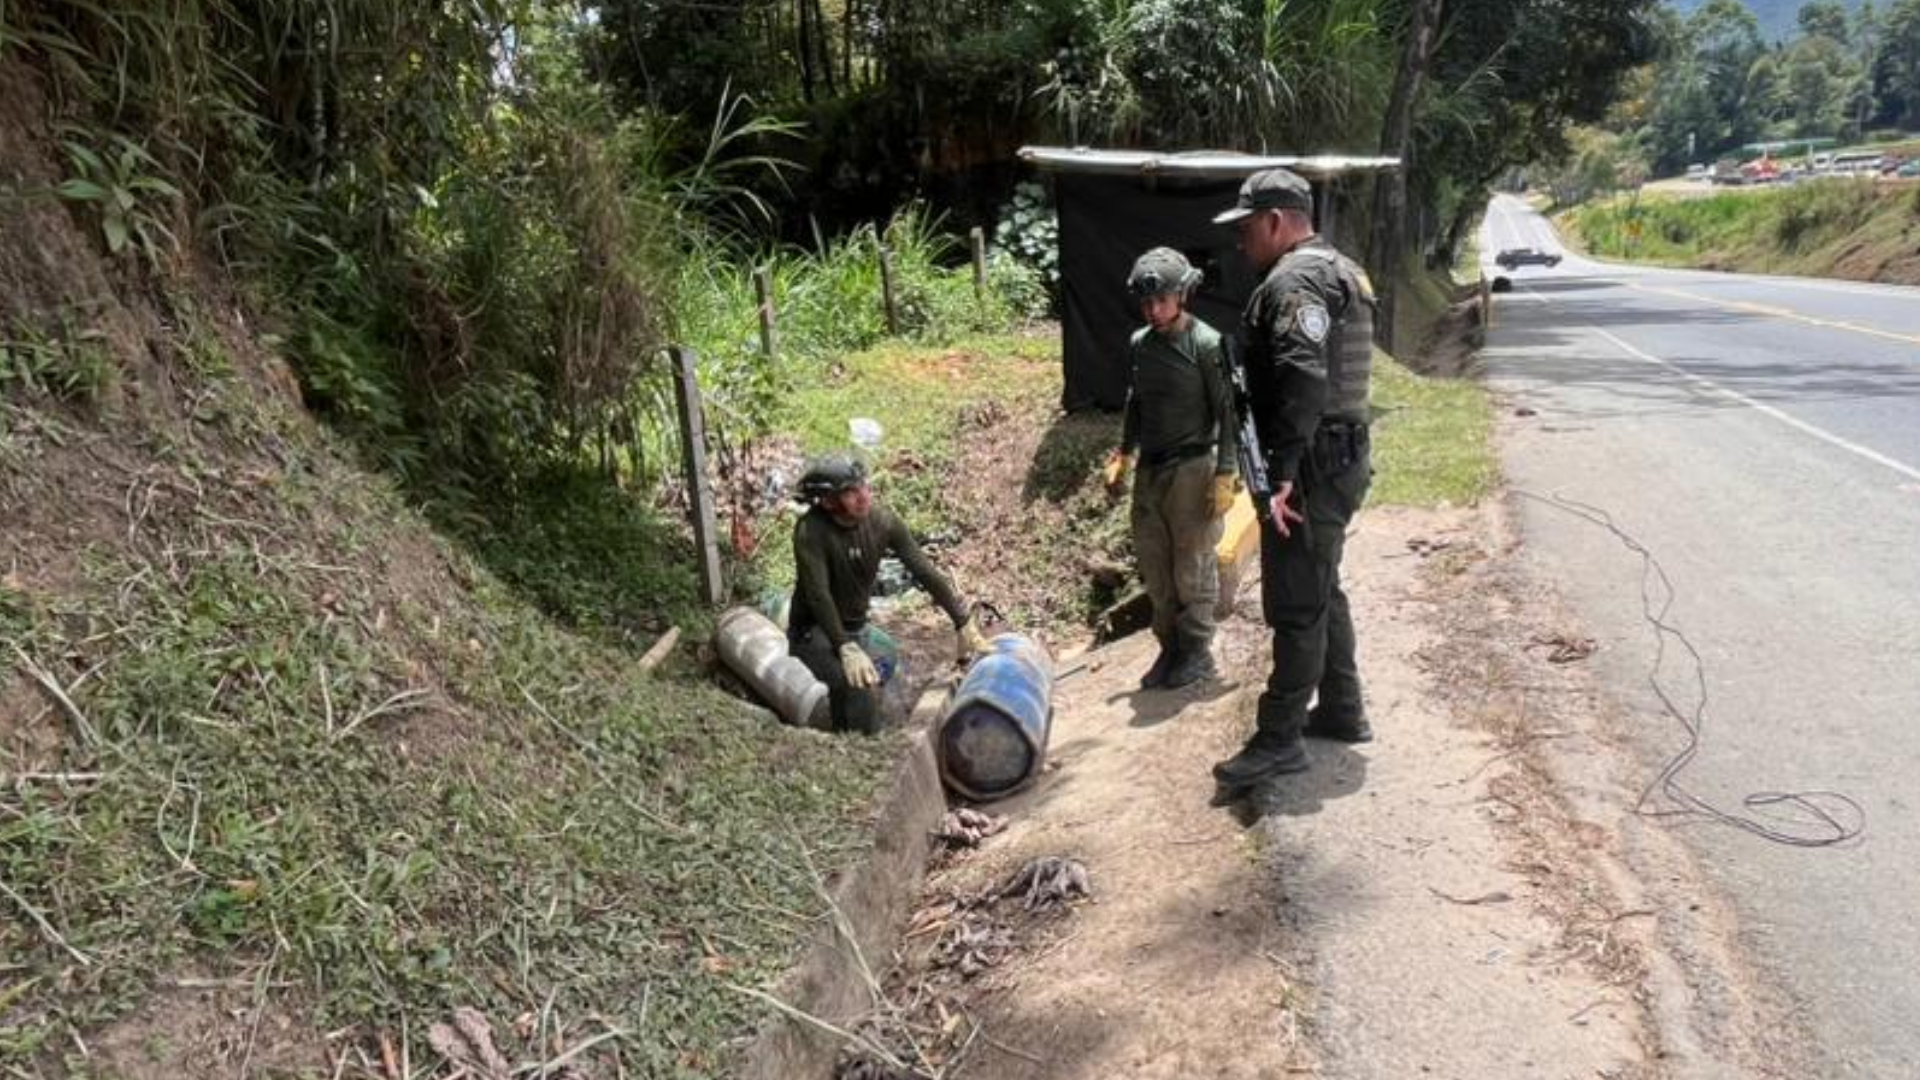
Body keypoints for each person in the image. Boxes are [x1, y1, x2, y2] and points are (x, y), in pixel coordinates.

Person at [1209, 168, 1377, 790]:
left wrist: (1280, 473)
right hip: (1338, 456)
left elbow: (1304, 378)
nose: (1240, 242)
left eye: (1247, 227)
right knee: (1323, 585)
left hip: (1311, 464)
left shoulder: (1295, 279)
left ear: (1277, 220)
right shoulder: (1340, 268)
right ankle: (1341, 709)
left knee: (1297, 601)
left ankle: (1278, 739)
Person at [1103, 247, 1240, 690]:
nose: (1154, 310)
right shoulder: (1141, 344)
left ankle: (1196, 651)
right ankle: (1169, 648)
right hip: (1151, 470)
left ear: (1182, 295)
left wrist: (1226, 472)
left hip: (1193, 467)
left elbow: (1230, 411)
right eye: (1146, 303)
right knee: (1155, 566)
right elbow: (1136, 402)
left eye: (1162, 300)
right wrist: (1124, 454)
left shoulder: (1207, 344)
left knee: (1191, 565)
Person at [788, 452, 993, 733]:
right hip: (815, 632)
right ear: (827, 502)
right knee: (857, 682)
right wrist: (844, 647)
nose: (863, 496)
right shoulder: (811, 531)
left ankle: (847, 719)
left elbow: (924, 570)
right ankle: (862, 748)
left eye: (863, 486)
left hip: (855, 628)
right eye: (850, 492)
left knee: (886, 657)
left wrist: (962, 621)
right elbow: (817, 594)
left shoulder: (883, 522)